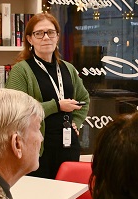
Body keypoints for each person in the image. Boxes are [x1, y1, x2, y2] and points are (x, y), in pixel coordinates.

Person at [5, 12, 89, 180]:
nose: (46, 37)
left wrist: (77, 121)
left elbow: (84, 99)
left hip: (68, 145)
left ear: (57, 37)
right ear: (30, 39)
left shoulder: (68, 68)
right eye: (39, 33)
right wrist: (56, 106)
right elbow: (15, 111)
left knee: (68, 193)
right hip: (37, 149)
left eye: (50, 32)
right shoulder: (21, 71)